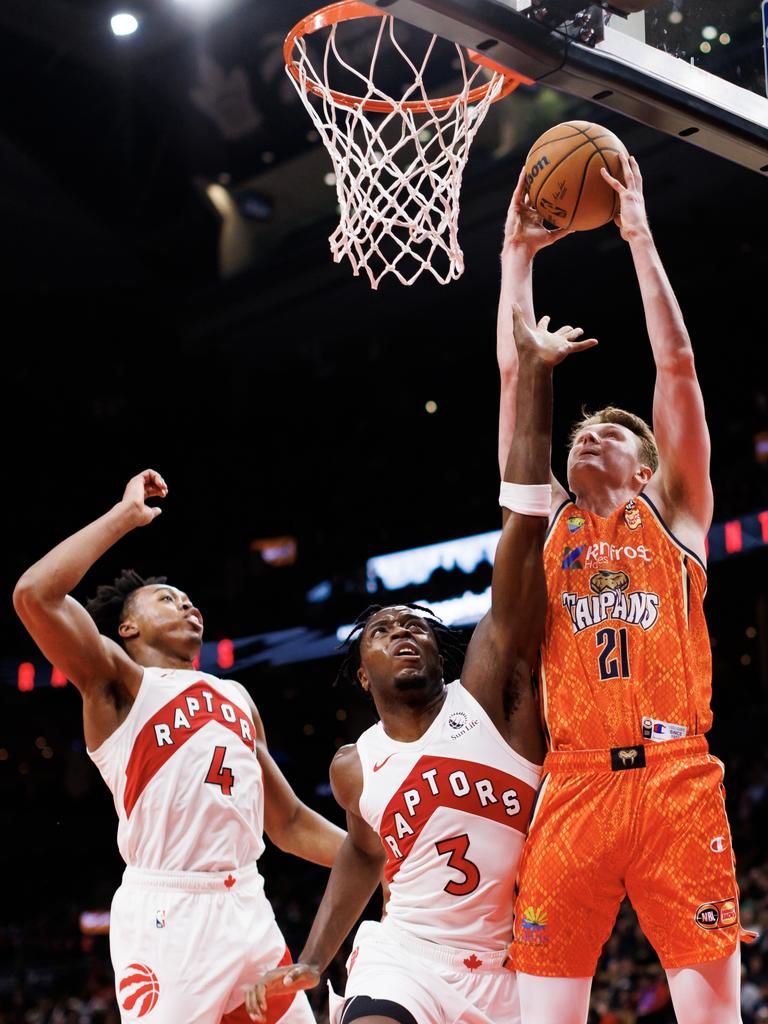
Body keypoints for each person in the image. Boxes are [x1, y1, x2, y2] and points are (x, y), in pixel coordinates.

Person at [244, 309, 597, 1024]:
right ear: (361, 674)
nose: (403, 631)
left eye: (417, 627)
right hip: (407, 957)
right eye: (383, 629)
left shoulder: (494, 698)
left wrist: (533, 375)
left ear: (444, 653)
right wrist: (314, 958)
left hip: (514, 967)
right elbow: (364, 854)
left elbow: (524, 528)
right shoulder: (355, 765)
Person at [498, 152, 749, 1023]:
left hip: (677, 777)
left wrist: (638, 234)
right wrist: (515, 259)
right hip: (573, 785)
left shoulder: (676, 514)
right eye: (580, 429)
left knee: (713, 1015)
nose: (587, 432)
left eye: (608, 429)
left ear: (645, 468)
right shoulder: (547, 528)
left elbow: (674, 364)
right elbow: (515, 376)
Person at [13, 470, 345, 1024]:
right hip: (169, 912)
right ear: (126, 628)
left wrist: (385, 858)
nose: (188, 605)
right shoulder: (116, 683)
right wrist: (124, 518)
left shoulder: (236, 696)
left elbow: (287, 824)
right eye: (167, 599)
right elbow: (34, 595)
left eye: (190, 600)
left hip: (247, 906)